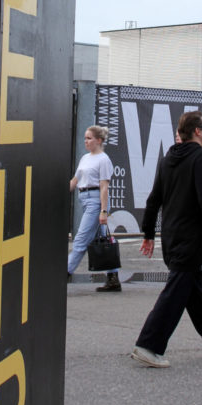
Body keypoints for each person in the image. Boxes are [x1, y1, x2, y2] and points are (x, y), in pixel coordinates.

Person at [131, 111, 202, 368]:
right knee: (176, 293)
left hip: (171, 236)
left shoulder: (168, 159)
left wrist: (149, 234)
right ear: (197, 131)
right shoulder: (201, 158)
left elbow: (154, 200)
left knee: (192, 291)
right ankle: (149, 345)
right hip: (190, 238)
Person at [67, 125, 121, 292]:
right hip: (84, 198)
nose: (86, 141)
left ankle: (64, 273)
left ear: (99, 140)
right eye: (85, 138)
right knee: (102, 239)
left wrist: (103, 211)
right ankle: (113, 279)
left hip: (95, 201)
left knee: (81, 239)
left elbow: (104, 187)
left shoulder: (103, 159)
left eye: (89, 138)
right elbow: (75, 180)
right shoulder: (85, 158)